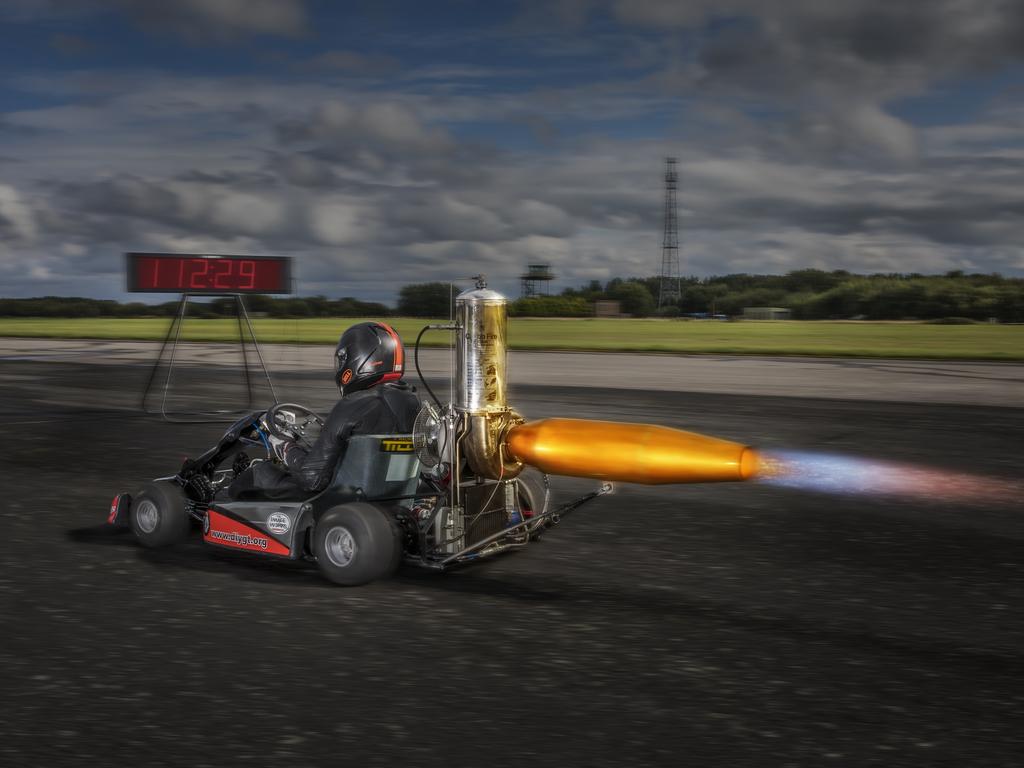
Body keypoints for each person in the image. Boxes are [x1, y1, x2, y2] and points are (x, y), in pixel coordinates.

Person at [228, 321, 421, 500]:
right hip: (389, 495)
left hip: (338, 497)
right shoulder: (413, 401)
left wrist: (286, 447)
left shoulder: (355, 404)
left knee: (255, 475)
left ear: (360, 358)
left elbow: (311, 479)